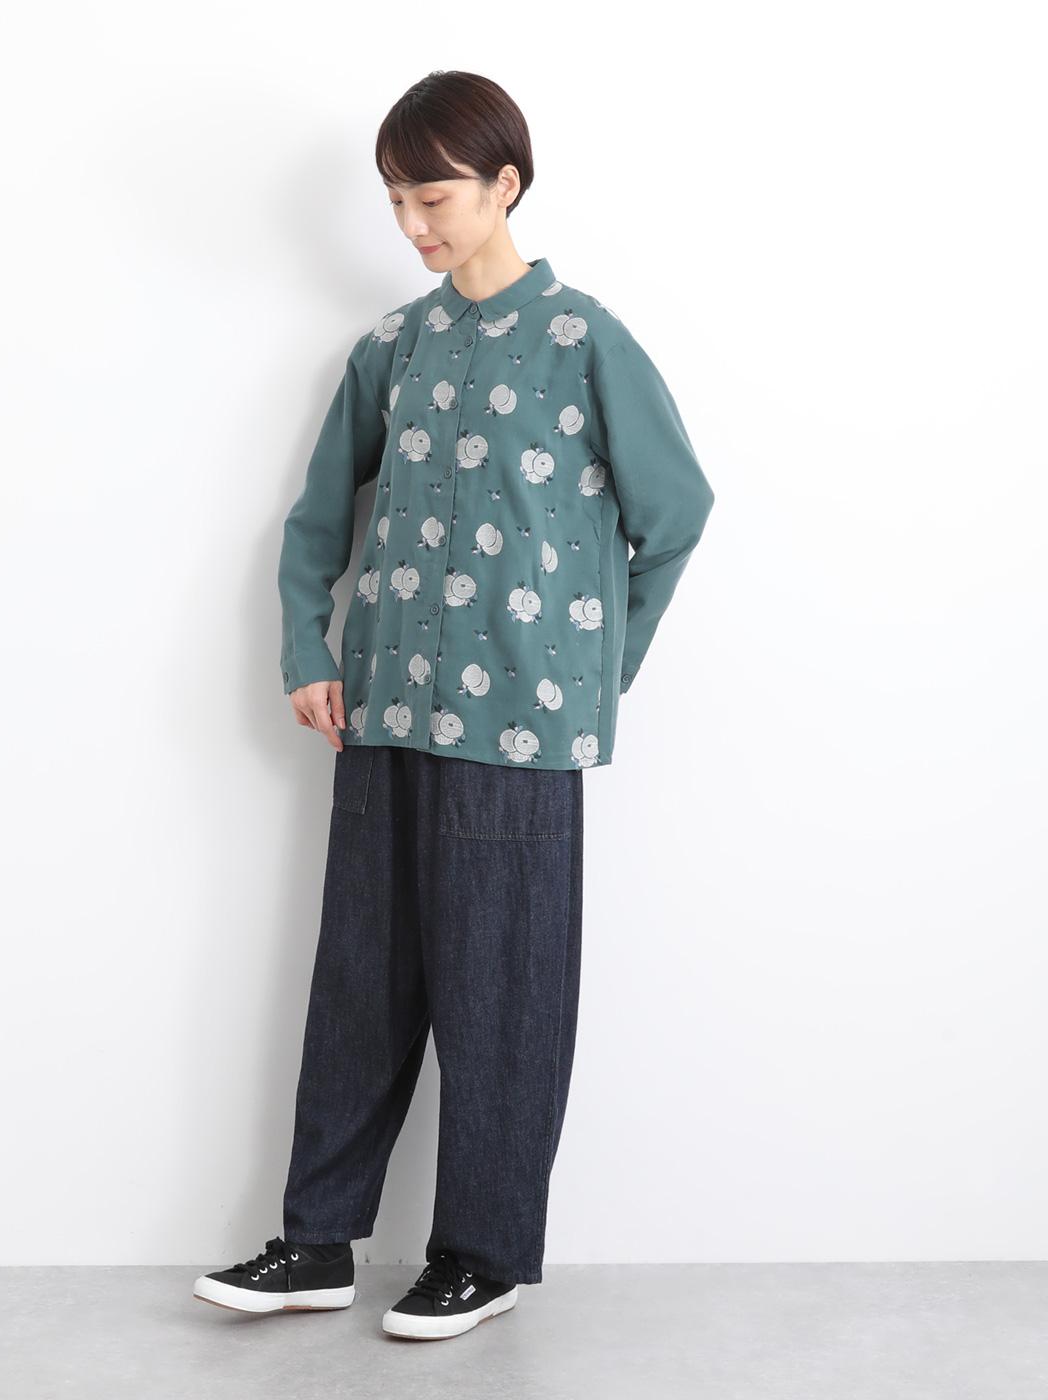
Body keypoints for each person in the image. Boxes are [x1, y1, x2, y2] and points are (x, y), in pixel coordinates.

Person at [193, 69, 715, 1341]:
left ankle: (482, 1252)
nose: (413, 223)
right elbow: (316, 520)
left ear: (504, 185)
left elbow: (676, 513)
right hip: (380, 714)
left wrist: (593, 669)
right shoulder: (393, 348)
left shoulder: (586, 340)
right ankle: (317, 1241)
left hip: (519, 734)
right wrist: (305, 648)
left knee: (504, 994)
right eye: (395, 201)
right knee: (359, 985)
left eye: (432, 196)